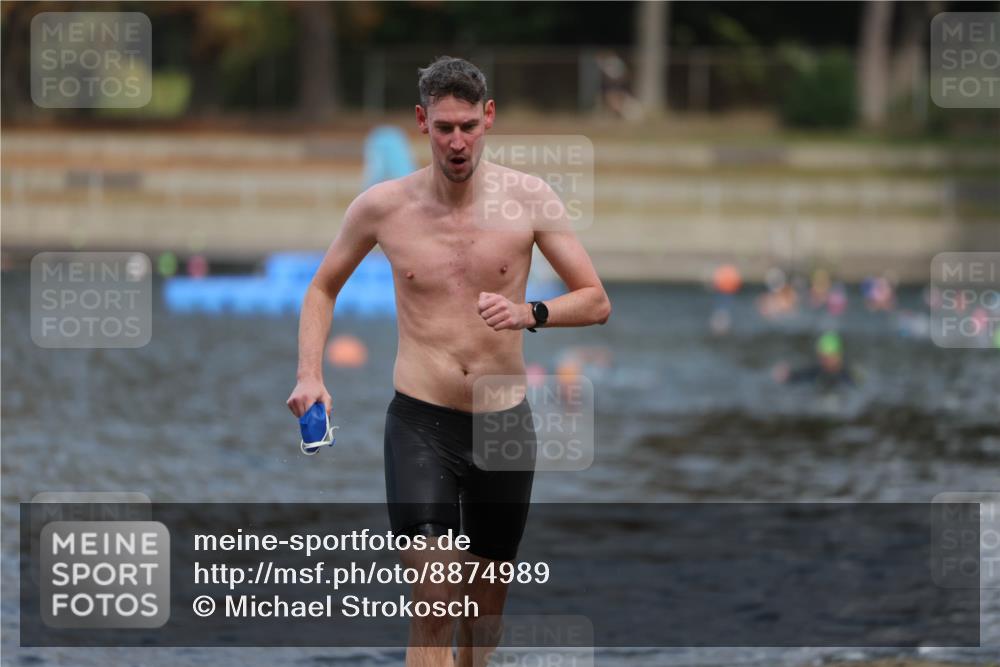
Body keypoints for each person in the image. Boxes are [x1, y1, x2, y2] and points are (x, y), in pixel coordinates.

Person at [286, 56, 611, 667]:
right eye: (443, 128)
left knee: (483, 618)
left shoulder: (530, 199)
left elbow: (595, 301)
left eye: (468, 126)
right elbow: (322, 287)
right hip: (421, 419)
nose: (457, 142)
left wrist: (530, 312)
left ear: (489, 118)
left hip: (503, 424)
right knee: (435, 601)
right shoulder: (382, 207)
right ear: (422, 122)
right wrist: (310, 374)